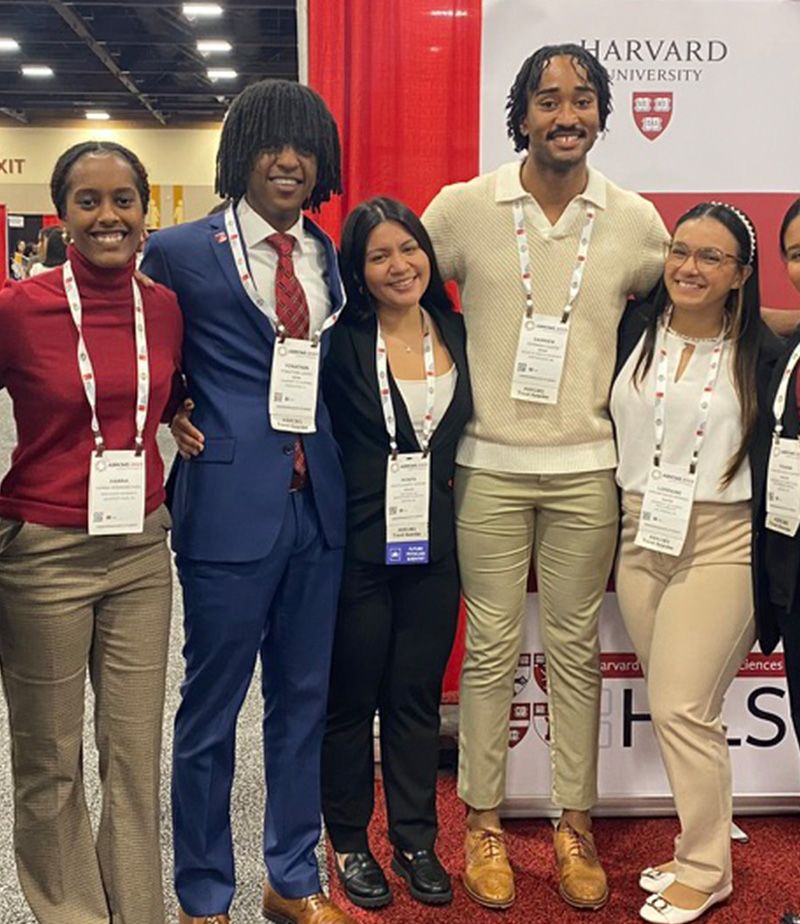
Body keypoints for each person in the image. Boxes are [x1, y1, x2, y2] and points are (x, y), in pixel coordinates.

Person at [421, 43, 669, 911]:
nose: (568, 115)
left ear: (602, 113)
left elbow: (692, 312)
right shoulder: (462, 209)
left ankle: (575, 825)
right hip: (487, 465)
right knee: (488, 649)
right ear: (520, 114)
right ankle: (483, 824)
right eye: (549, 100)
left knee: (573, 650)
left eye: (584, 99)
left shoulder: (635, 220)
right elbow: (396, 290)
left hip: (585, 470)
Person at [144, 79, 357, 924]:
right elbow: (140, 344)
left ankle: (291, 879)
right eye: (272, 142)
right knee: (210, 709)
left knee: (303, 701)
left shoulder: (325, 253)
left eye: (304, 146)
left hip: (318, 508)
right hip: (229, 505)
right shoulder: (181, 250)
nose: (290, 160)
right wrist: (171, 408)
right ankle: (203, 895)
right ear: (241, 154)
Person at [0, 140, 182, 924]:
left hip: (141, 547)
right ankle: (71, 913)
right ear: (63, 214)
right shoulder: (19, 308)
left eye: (123, 200)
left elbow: (162, 391)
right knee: (50, 760)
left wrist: (179, 413)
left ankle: (136, 910)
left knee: (135, 757)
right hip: (43, 553)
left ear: (145, 212)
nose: (108, 216)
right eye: (89, 201)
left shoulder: (166, 307)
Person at [611, 202, 783, 923]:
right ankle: (698, 843)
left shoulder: (764, 354)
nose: (690, 267)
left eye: (713, 257)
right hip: (638, 532)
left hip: (724, 539)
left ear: (741, 275)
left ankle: (708, 869)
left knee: (683, 705)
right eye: (682, 250)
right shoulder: (631, 330)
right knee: (688, 709)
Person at [320, 198, 472, 910]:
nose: (398, 265)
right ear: (358, 268)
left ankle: (415, 839)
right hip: (356, 547)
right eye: (379, 256)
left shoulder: (458, 331)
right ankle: (348, 840)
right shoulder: (338, 340)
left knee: (413, 701)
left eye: (407, 248)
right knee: (351, 702)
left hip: (433, 548)